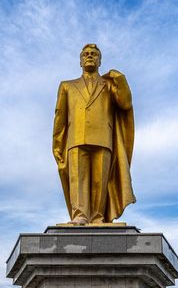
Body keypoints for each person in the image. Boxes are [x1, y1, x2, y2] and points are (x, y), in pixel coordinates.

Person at [52, 44, 136, 225]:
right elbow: (60, 118)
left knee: (100, 181)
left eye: (94, 54)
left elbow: (125, 104)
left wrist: (120, 79)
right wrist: (57, 145)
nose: (90, 56)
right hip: (76, 139)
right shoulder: (67, 86)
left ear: (100, 60)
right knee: (78, 180)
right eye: (86, 54)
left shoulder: (109, 84)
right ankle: (79, 215)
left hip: (103, 138)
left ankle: (98, 217)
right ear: (80, 61)